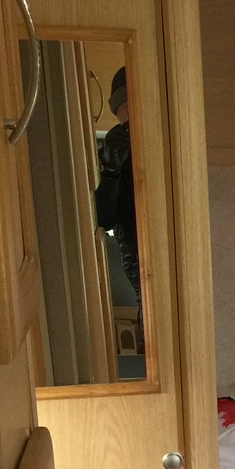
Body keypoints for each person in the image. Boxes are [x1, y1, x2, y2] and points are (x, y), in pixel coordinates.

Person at [95, 66, 139, 301]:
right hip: (136, 252)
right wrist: (111, 170)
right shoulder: (110, 149)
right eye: (126, 108)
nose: (133, 114)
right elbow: (103, 220)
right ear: (118, 112)